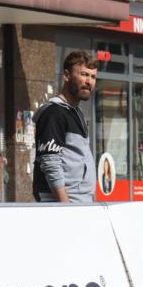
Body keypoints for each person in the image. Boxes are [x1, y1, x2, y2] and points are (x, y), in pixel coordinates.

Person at [33, 50, 97, 203]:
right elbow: (50, 162)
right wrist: (66, 207)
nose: (89, 81)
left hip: (79, 202)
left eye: (93, 76)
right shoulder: (54, 112)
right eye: (83, 74)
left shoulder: (77, 113)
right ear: (67, 76)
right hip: (63, 205)